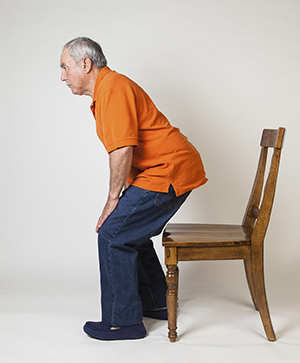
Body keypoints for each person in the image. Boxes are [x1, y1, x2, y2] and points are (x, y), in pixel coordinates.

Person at [60, 37, 208, 341]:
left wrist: (113, 200)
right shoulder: (107, 90)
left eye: (65, 67)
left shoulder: (112, 88)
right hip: (161, 170)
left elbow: (123, 150)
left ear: (85, 64)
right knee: (127, 232)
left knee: (113, 234)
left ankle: (123, 322)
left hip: (168, 171)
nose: (63, 76)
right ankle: (156, 304)